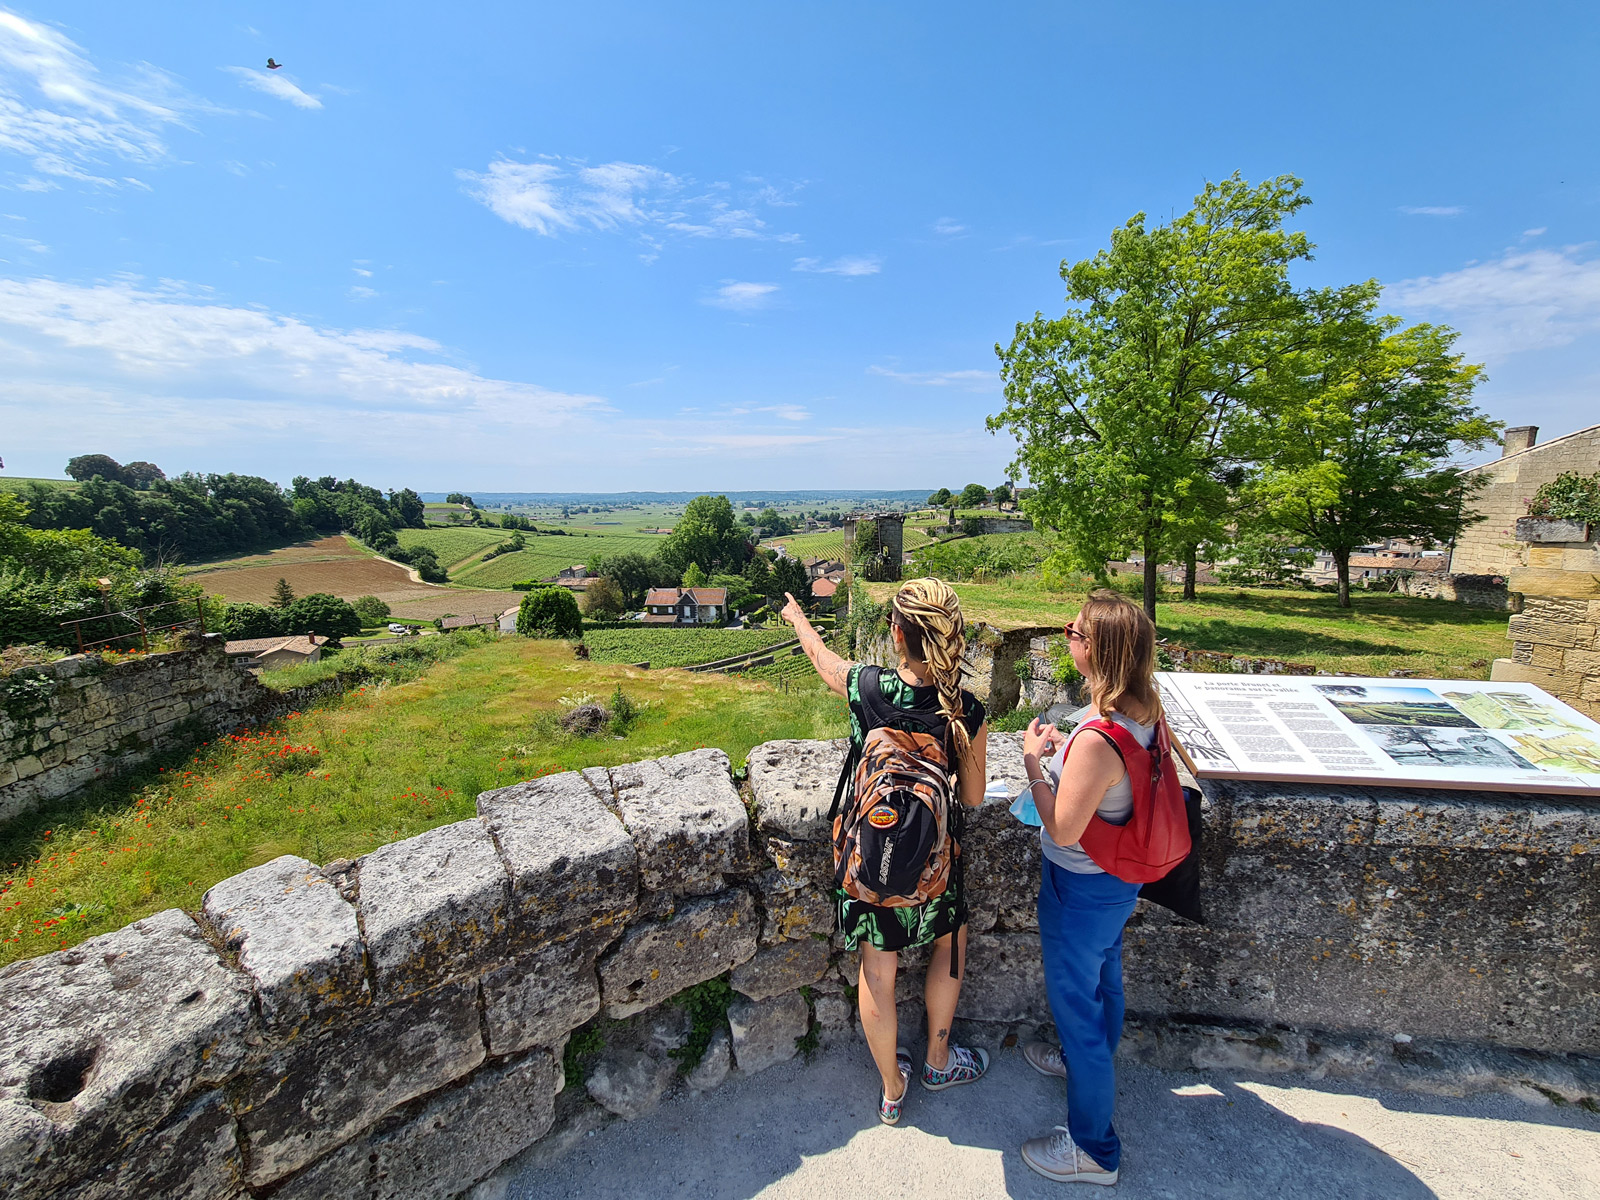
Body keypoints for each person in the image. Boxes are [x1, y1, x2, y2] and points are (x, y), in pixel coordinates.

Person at [780, 579, 990, 1125]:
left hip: (869, 859)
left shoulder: (865, 688)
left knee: (878, 971)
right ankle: (939, 1061)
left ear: (896, 635)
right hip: (935, 867)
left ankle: (893, 1090)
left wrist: (797, 617)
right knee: (951, 944)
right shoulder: (965, 709)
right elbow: (971, 796)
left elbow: (820, 657)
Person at [1017, 588, 1165, 1186]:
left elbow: (1063, 824)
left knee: (1077, 1007)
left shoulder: (1101, 737)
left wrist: (1034, 760)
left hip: (1078, 886)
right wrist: (1064, 753)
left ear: (1100, 649)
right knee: (1104, 982)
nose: (1068, 637)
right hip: (1115, 881)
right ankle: (1085, 1065)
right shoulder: (1141, 709)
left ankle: (1094, 1151)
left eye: (1075, 632)